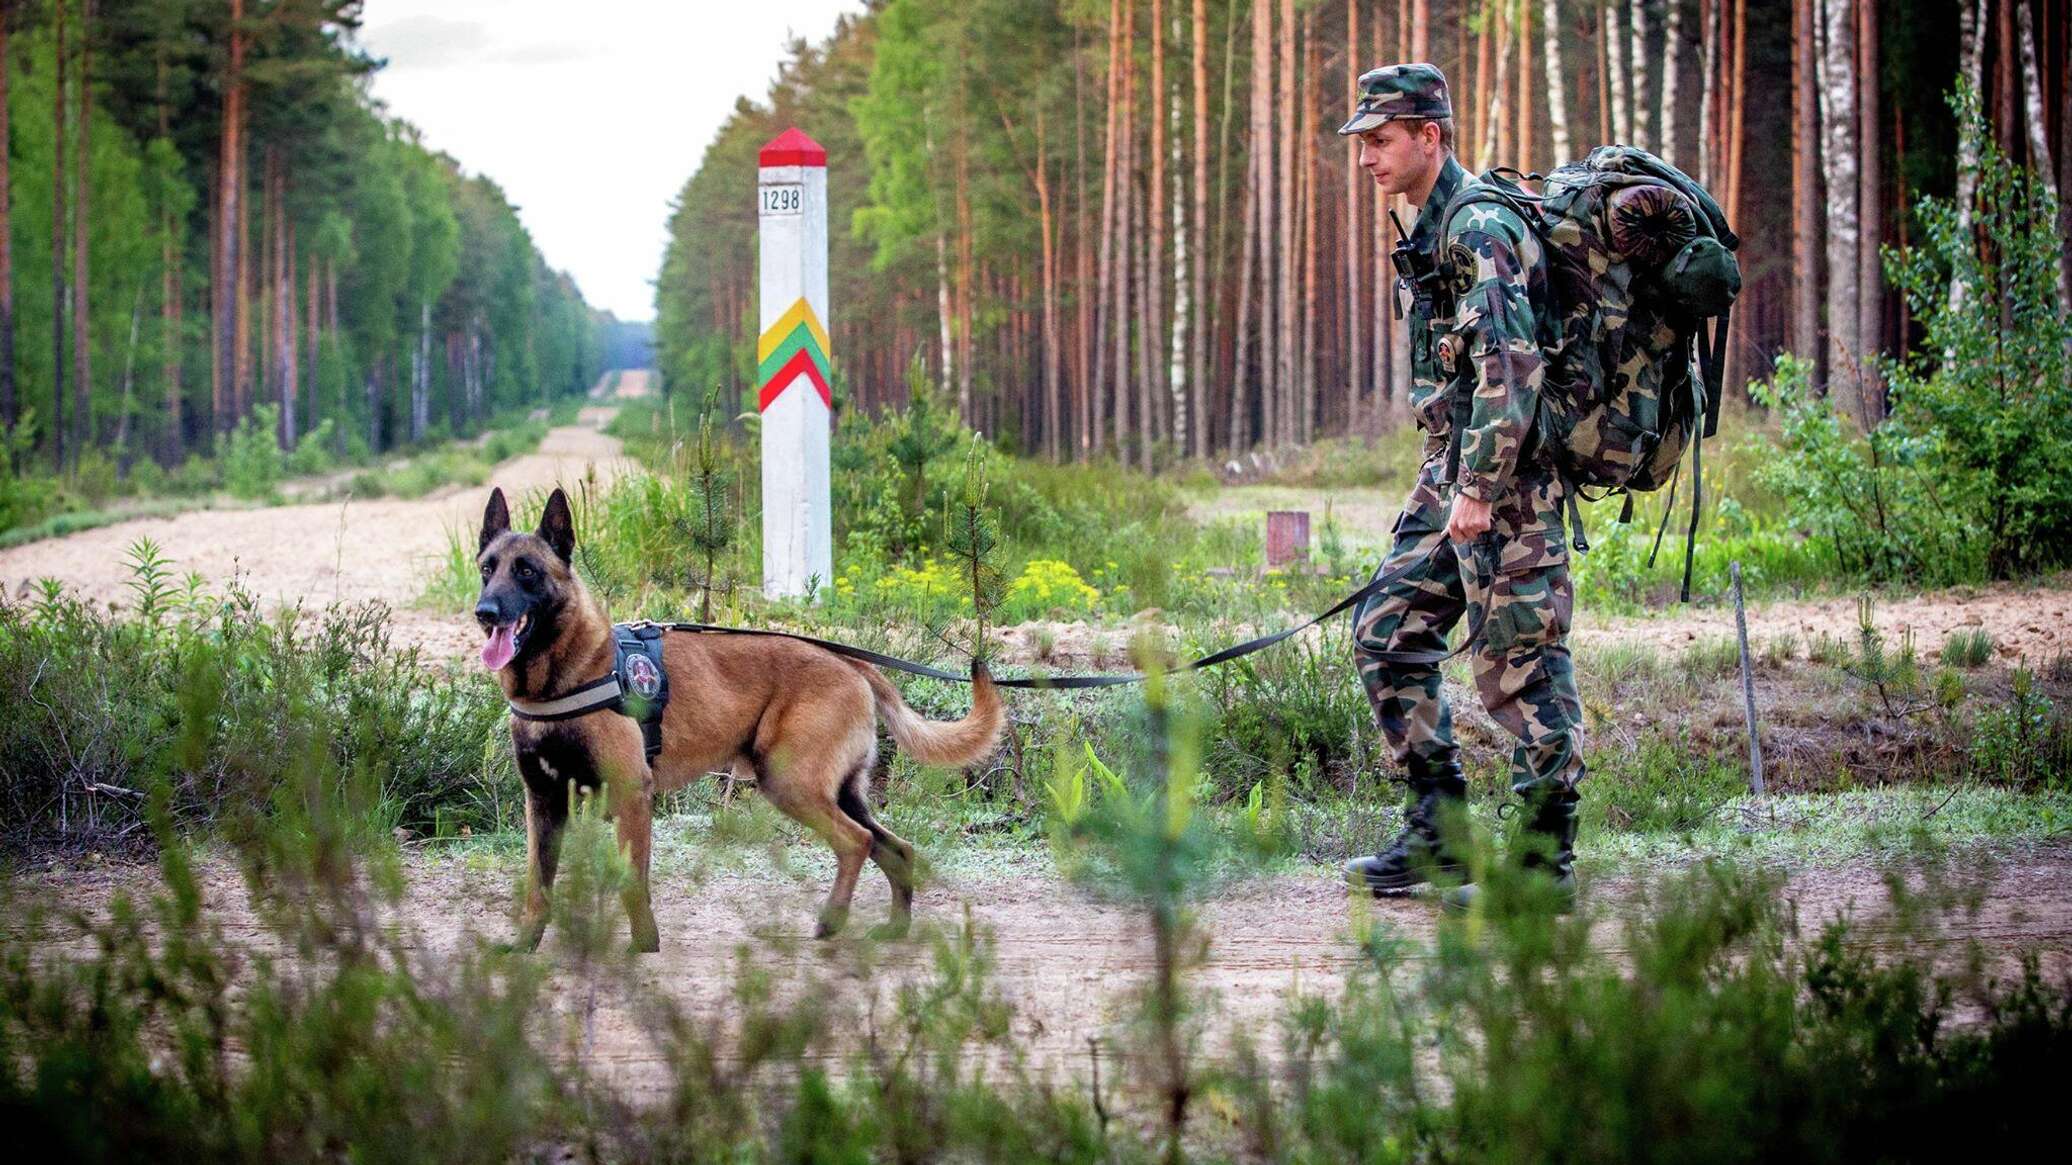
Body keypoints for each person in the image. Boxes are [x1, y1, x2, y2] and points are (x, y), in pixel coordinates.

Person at [1336, 63, 1583, 909]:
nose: (1366, 157)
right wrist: (1441, 484)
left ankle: (1542, 868)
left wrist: (1476, 487)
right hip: (1455, 478)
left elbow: (1512, 369)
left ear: (1429, 137)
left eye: (1380, 140)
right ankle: (1439, 837)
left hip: (1508, 488)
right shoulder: (1431, 229)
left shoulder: (1478, 227)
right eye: (1362, 143)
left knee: (1523, 665)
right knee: (1386, 632)